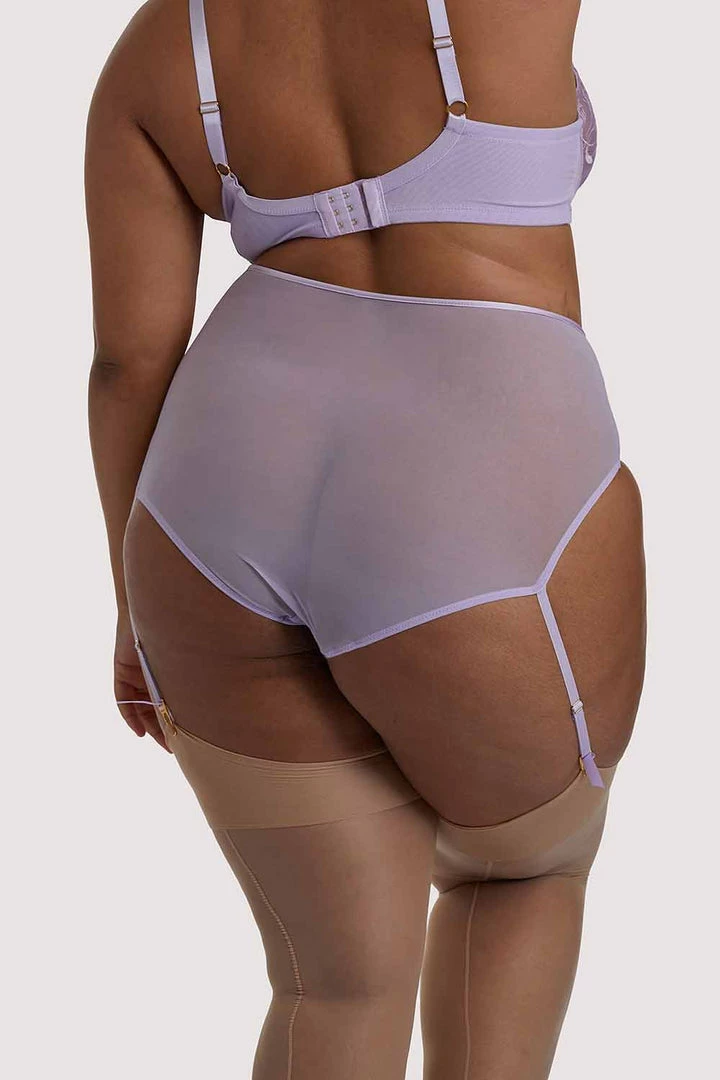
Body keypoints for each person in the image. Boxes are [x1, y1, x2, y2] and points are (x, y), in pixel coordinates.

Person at [86, 1, 646, 1076]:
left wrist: (130, 604)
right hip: (474, 490)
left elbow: (129, 364)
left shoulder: (157, 49)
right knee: (522, 872)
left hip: (210, 512)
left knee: (332, 983)